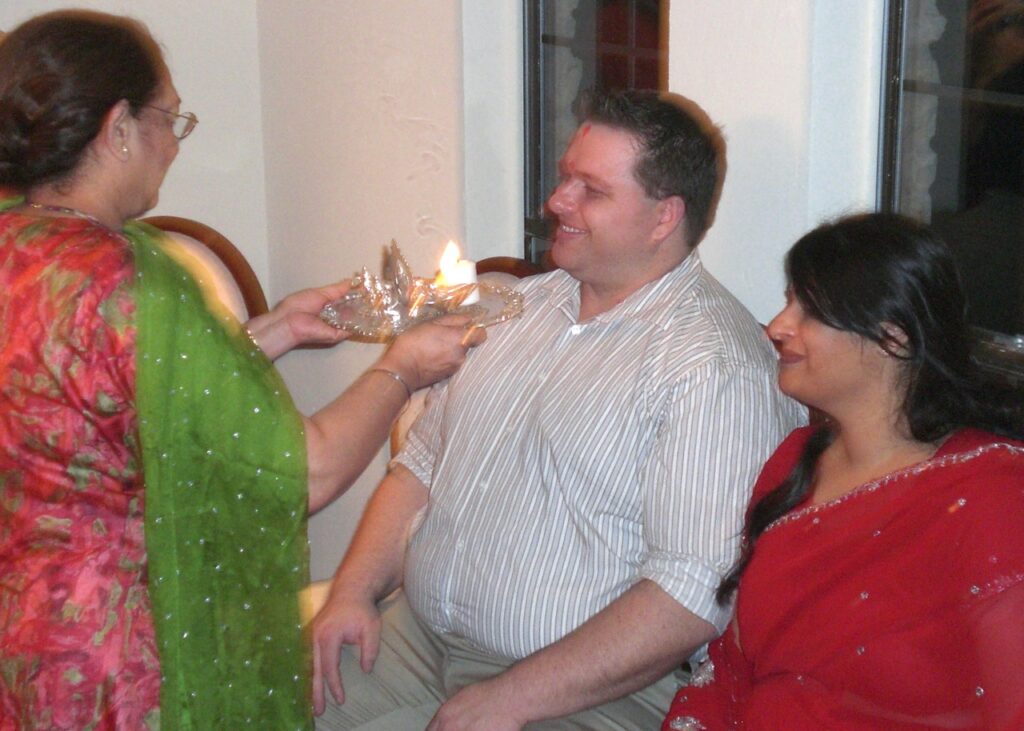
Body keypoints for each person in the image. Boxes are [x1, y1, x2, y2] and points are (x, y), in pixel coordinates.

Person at [0, 10, 482, 730]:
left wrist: (276, 329)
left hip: (24, 628)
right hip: (121, 654)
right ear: (118, 127)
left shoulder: (18, 243)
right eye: (168, 119)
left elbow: (96, 391)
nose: (173, 144)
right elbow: (306, 473)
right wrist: (402, 369)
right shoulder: (137, 278)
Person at [312, 90, 805, 730]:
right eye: (566, 177)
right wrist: (352, 591)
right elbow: (422, 464)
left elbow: (691, 595)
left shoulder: (713, 367)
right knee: (248, 703)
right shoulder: (516, 306)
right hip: (418, 639)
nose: (557, 201)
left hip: (586, 690)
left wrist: (510, 699)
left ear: (664, 217)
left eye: (590, 190)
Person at [662, 213, 1024, 731]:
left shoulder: (991, 497)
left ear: (893, 337)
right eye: (788, 302)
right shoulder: (793, 463)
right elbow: (733, 667)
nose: (777, 327)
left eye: (809, 311)